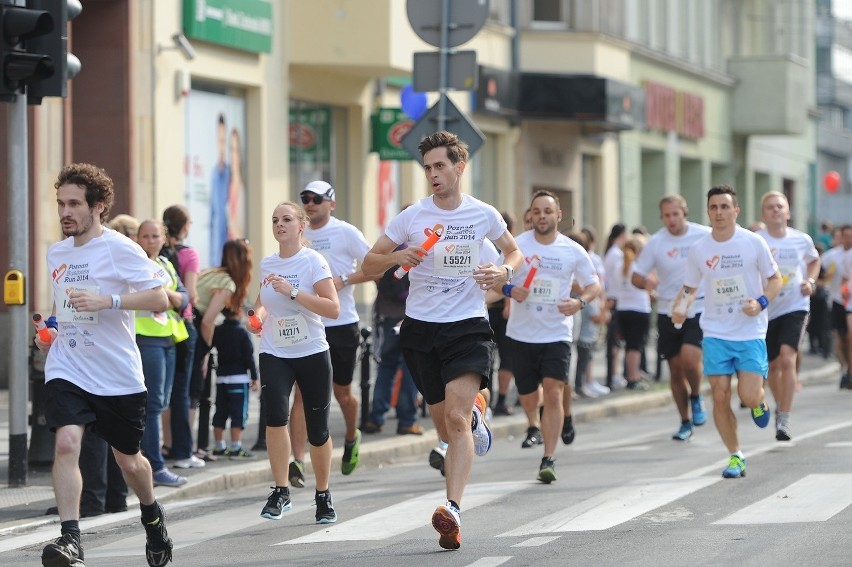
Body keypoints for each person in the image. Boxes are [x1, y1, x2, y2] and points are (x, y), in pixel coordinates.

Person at [362, 130, 523, 550]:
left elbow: (514, 252)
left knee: (453, 417)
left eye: (439, 166)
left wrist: (504, 272)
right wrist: (397, 256)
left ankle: (452, 510)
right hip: (420, 329)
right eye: (427, 167)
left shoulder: (482, 214)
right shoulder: (412, 217)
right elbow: (369, 261)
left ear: (458, 168)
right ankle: (474, 416)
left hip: (467, 324)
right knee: (447, 425)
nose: (432, 174)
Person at [36, 163, 173, 567]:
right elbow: (64, 307)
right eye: (61, 203)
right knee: (66, 442)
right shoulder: (56, 253)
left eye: (74, 203)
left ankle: (152, 517)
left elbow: (160, 299)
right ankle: (71, 539)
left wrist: (109, 301)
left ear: (98, 207)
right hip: (69, 365)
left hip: (116, 373)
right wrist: (50, 331)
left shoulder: (121, 248)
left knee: (129, 460)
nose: (65, 211)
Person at [672, 185, 781, 479]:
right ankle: (736, 455)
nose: (719, 212)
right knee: (719, 396)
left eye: (724, 207)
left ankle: (758, 401)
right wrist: (680, 307)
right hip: (715, 330)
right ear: (708, 212)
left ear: (736, 211)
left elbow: (775, 280)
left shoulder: (752, 242)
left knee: (747, 395)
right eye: (713, 207)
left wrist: (760, 303)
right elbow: (689, 286)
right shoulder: (700, 249)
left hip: (750, 330)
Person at [491, 191, 599, 483]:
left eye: (547, 211)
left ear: (558, 215)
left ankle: (548, 458)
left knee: (553, 392)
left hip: (557, 333)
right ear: (531, 215)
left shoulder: (572, 250)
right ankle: (534, 423)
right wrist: (512, 291)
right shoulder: (518, 246)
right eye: (537, 211)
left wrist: (579, 303)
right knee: (528, 396)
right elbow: (497, 281)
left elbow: (593, 285)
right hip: (521, 334)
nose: (542, 216)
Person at [249, 201, 339, 524]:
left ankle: (323, 494)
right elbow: (262, 301)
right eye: (275, 220)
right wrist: (256, 317)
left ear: (301, 226)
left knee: (318, 430)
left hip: (312, 351)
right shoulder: (267, 263)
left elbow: (332, 308)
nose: (279, 225)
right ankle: (280, 491)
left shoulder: (313, 261)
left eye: (286, 219)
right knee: (275, 416)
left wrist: (293, 292)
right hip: (275, 351)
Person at [289, 180, 371, 484]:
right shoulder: (298, 232)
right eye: (305, 199)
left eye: (317, 199)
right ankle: (297, 461)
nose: (310, 204)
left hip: (341, 323)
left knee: (342, 393)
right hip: (307, 323)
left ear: (331, 204)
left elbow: (374, 265)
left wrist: (345, 280)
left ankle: (351, 436)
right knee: (300, 395)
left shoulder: (345, 232)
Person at [632, 195, 710, 441]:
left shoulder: (703, 234)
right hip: (668, 311)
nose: (671, 219)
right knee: (675, 371)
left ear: (684, 212)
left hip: (696, 306)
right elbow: (636, 275)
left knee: (690, 360)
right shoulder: (656, 242)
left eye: (675, 214)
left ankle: (696, 395)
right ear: (661, 217)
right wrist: (646, 281)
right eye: (666, 215)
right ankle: (685, 421)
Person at [755, 192, 819, 441]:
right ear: (763, 214)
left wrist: (810, 281)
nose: (775, 211)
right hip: (766, 310)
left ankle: (785, 417)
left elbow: (814, 261)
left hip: (796, 306)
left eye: (780, 206)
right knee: (772, 366)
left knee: (787, 360)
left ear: (788, 212)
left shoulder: (801, 240)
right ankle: (780, 406)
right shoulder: (757, 240)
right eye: (770, 207)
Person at [188, 239, 254, 464]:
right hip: (193, 328)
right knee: (193, 393)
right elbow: (207, 322)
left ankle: (178, 445)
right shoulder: (227, 284)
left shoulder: (211, 272)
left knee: (182, 392)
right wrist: (206, 350)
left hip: (180, 322)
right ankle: (188, 448)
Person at [136, 219, 190, 488]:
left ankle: (152, 464)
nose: (150, 240)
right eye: (144, 236)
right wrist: (170, 297)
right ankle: (155, 466)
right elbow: (151, 297)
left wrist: (166, 294)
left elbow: (184, 298)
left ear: (163, 238)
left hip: (169, 337)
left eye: (155, 235)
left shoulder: (166, 264)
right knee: (153, 405)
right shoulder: (135, 264)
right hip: (146, 338)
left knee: (161, 402)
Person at [363, 239, 424, 436]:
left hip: (387, 317)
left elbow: (373, 273)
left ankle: (376, 417)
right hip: (411, 316)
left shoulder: (388, 249)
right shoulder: (420, 251)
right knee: (410, 370)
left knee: (386, 367)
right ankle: (406, 421)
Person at [160, 205, 202, 464]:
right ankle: (183, 450)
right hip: (183, 325)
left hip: (159, 325)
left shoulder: (160, 254)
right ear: (185, 226)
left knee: (163, 390)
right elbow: (192, 296)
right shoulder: (189, 255)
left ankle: (166, 444)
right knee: (182, 390)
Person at [567, 231, 610, 400]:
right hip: (575, 310)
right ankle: (578, 385)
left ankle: (577, 385)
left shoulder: (583, 261)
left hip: (579, 307)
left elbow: (593, 286)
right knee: (578, 349)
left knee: (581, 349)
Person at [211, 310, 260, 457]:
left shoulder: (218, 330)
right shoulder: (242, 333)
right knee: (238, 413)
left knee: (220, 412)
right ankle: (236, 446)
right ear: (238, 313)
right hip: (239, 378)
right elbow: (249, 356)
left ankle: (219, 446)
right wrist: (254, 376)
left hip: (221, 378)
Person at [611, 233, 652, 390]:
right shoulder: (638, 267)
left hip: (623, 308)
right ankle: (633, 377)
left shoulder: (618, 266)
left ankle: (630, 375)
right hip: (639, 307)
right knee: (636, 345)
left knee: (629, 344)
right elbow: (647, 285)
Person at [490, 210, 517, 416]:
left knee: (491, 359)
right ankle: (497, 401)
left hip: (491, 309)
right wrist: (508, 303)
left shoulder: (492, 246)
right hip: (497, 310)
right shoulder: (504, 251)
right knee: (503, 358)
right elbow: (506, 282)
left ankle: (493, 401)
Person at [825, 225, 852, 387]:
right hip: (837, 301)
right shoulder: (833, 256)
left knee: (850, 338)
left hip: (848, 303)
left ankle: (849, 372)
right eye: (846, 236)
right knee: (840, 339)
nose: (848, 239)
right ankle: (845, 369)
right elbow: (824, 276)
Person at [603, 223, 628, 389]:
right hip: (615, 299)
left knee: (615, 342)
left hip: (613, 298)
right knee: (614, 342)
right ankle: (613, 376)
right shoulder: (616, 254)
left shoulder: (612, 252)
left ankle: (614, 375)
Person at [210, 113, 231, 266]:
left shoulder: (230, 174)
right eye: (219, 140)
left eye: (224, 140)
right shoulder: (214, 172)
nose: (221, 145)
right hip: (215, 251)